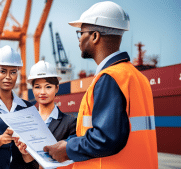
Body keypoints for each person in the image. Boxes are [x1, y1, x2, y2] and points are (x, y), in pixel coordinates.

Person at [43, 1, 158, 169]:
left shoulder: (109, 77)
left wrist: (68, 148)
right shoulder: (138, 77)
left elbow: (106, 137)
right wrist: (69, 143)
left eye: (81, 33)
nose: (79, 39)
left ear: (95, 36)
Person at [10, 60, 77, 169]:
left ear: (57, 88)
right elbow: (19, 161)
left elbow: (70, 159)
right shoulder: (24, 121)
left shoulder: (70, 123)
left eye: (48, 87)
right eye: (37, 87)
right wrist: (25, 153)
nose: (42, 92)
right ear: (32, 89)